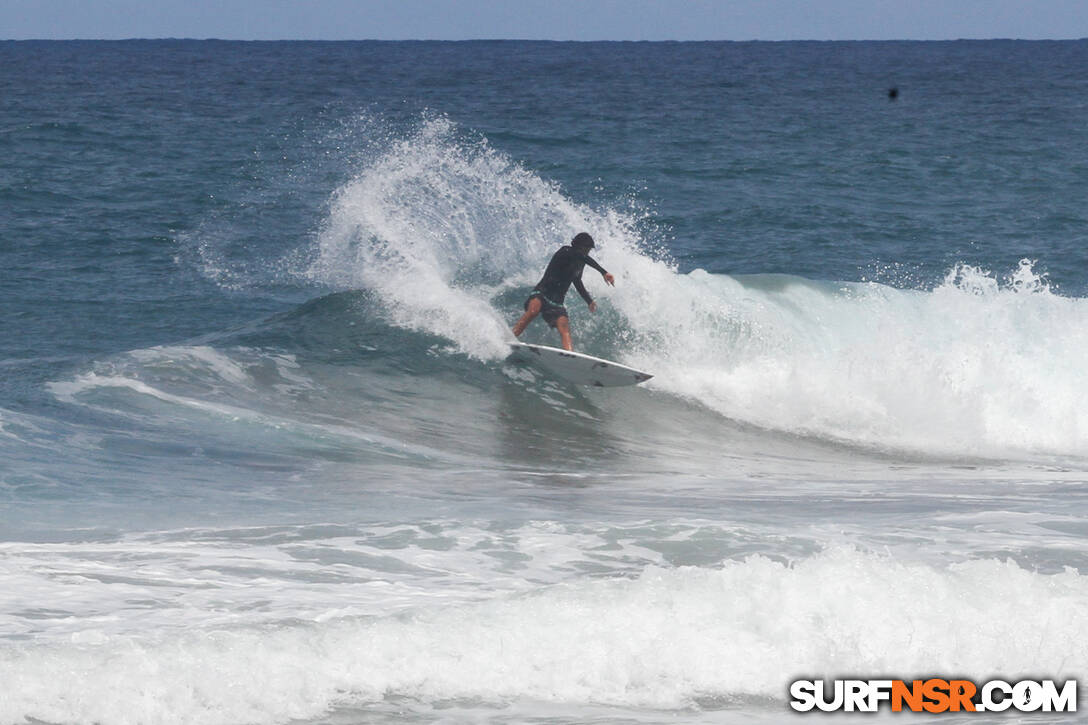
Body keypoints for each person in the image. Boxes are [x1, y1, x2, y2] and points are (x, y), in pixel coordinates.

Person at [512, 232, 615, 351]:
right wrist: (603, 272)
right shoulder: (565, 251)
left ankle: (569, 355)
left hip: (557, 301)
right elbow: (582, 257)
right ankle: (511, 337)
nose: (587, 251)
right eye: (585, 248)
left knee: (564, 328)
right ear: (578, 245)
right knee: (533, 311)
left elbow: (577, 281)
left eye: (588, 249)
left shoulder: (581, 262)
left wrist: (589, 300)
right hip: (542, 293)